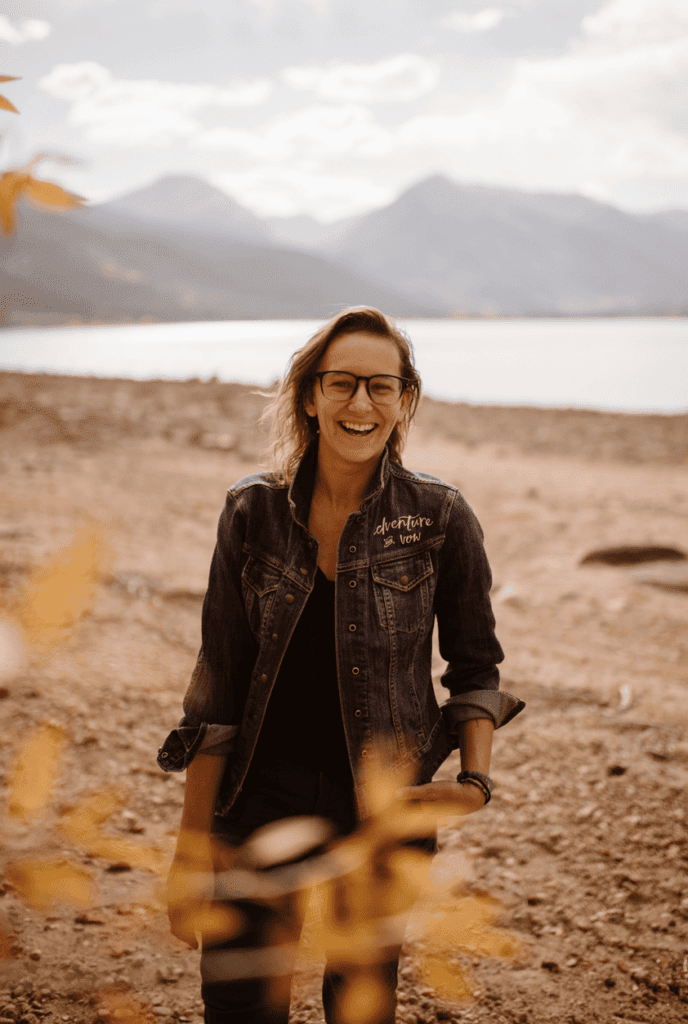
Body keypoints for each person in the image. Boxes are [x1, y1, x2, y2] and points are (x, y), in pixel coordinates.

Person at [157, 306, 524, 1024]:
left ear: (404, 400)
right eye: (343, 383)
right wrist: (190, 852)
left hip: (383, 806)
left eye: (381, 386)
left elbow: (476, 669)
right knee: (239, 1001)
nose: (362, 403)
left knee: (360, 1003)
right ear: (309, 395)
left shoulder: (440, 517)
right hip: (258, 797)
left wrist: (474, 784)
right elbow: (216, 691)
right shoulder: (250, 513)